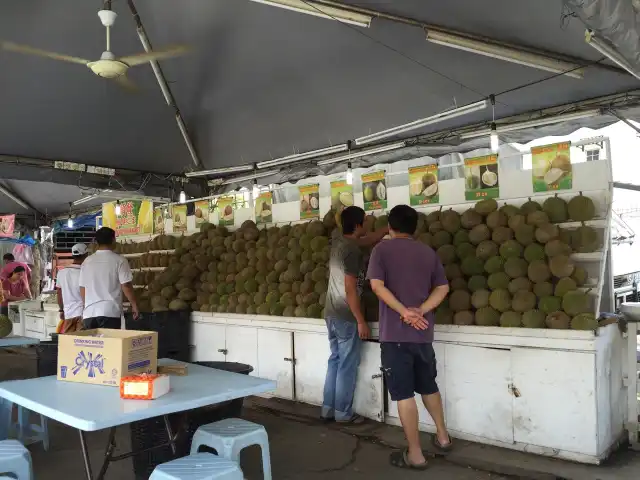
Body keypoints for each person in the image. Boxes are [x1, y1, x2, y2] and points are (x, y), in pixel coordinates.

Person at [367, 204, 451, 470]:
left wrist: (405, 312)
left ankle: (415, 454)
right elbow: (443, 287)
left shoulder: (381, 250)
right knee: (429, 386)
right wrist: (421, 311)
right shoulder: (428, 252)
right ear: (415, 228)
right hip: (423, 333)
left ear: (390, 226)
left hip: (396, 336)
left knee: (404, 395)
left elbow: (376, 286)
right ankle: (443, 437)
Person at [321, 206, 388, 424]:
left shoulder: (340, 241)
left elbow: (366, 239)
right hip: (346, 315)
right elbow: (350, 289)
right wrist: (360, 320)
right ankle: (343, 413)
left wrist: (386, 229)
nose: (370, 222)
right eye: (366, 220)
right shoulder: (352, 252)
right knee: (346, 365)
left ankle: (328, 409)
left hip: (330, 312)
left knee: (335, 361)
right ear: (358, 225)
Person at [79, 227, 139, 329]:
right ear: (113, 240)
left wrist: (86, 306)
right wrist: (134, 305)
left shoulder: (87, 261)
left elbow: (82, 288)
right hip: (110, 312)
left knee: (92, 344)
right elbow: (126, 285)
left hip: (89, 313)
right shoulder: (119, 260)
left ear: (97, 242)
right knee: (110, 344)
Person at [56, 243, 88, 334]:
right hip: (84, 314)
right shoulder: (86, 272)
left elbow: (59, 293)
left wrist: (61, 310)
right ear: (86, 255)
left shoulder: (61, 273)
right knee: (82, 342)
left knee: (69, 343)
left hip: (69, 314)